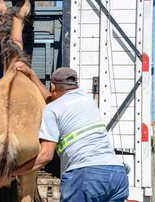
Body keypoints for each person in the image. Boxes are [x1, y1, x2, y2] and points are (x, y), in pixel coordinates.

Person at [12, 64, 129, 201]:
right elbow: (52, 100)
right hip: (118, 175)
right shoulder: (86, 99)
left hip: (86, 175)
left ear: (53, 87)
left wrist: (14, 172)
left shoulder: (51, 111)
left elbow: (45, 156)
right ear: (75, 86)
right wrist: (32, 74)